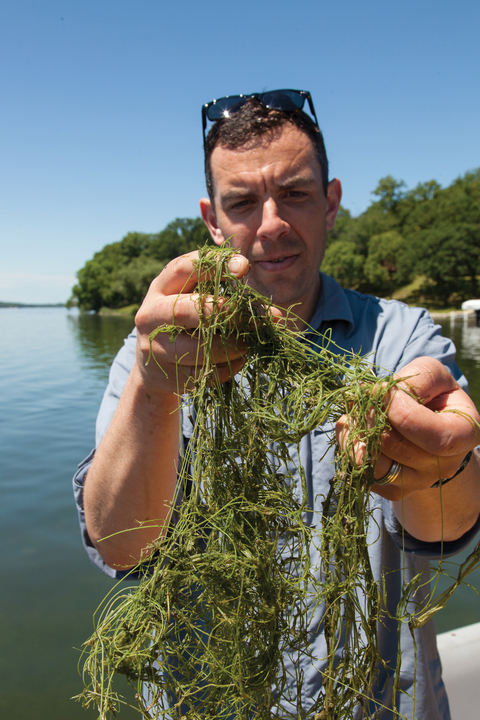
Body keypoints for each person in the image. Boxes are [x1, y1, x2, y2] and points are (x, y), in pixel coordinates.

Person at [74, 89, 480, 719]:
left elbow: (448, 531)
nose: (270, 225)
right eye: (242, 202)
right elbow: (122, 545)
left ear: (332, 201)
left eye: (294, 193)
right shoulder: (156, 353)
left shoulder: (403, 340)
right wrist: (154, 390)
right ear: (212, 220)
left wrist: (440, 463)